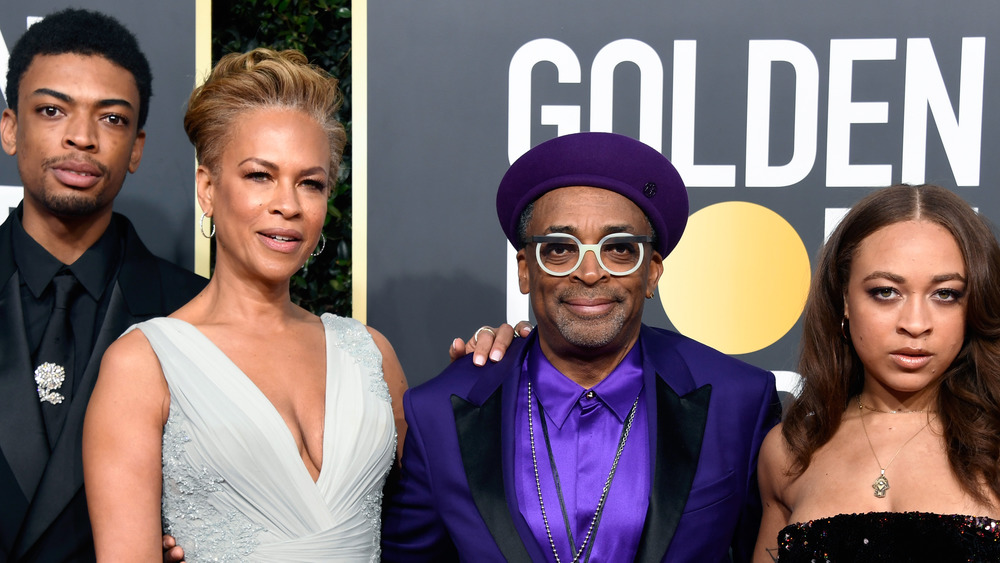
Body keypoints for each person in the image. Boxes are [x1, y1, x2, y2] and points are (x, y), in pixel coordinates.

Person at [381, 131, 781, 562]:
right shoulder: (439, 411)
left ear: (652, 272)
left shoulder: (738, 400)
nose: (590, 272)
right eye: (558, 249)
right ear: (524, 270)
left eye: (620, 249)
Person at [0, 9, 207, 561]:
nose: (82, 137)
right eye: (51, 110)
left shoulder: (199, 313)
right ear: (10, 129)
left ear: (137, 148)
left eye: (111, 119)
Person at [753, 184, 1000, 562]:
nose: (916, 324)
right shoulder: (789, 451)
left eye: (945, 294)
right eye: (886, 292)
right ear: (844, 299)